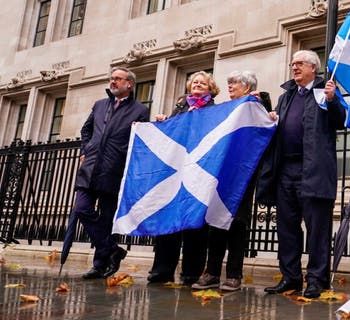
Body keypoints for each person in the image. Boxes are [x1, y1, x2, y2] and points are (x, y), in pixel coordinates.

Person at [257, 50, 346, 298]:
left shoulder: (325, 91)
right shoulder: (286, 97)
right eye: (293, 63)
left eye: (300, 64)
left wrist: (333, 101)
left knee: (317, 229)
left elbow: (341, 121)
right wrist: (271, 116)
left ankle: (317, 280)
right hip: (286, 170)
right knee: (286, 228)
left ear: (313, 68)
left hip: (314, 170)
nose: (294, 67)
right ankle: (290, 277)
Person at [191, 70, 268, 291]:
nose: (230, 86)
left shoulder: (255, 105)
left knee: (237, 224)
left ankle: (234, 275)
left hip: (243, 174)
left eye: (235, 83)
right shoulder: (224, 109)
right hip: (220, 174)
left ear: (247, 87)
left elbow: (266, 120)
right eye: (229, 82)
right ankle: (212, 272)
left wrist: (261, 101)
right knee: (215, 222)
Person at [74, 66, 149, 279]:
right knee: (82, 208)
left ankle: (99, 265)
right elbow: (86, 130)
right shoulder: (99, 105)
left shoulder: (140, 110)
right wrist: (85, 150)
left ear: (129, 84)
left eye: (118, 79)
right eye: (112, 78)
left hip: (114, 170)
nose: (113, 81)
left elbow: (140, 141)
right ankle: (113, 249)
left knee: (107, 219)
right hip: (90, 168)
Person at [147, 71, 220, 285]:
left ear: (210, 88)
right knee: (168, 219)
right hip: (175, 171)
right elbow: (170, 134)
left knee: (194, 223)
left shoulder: (215, 110)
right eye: (194, 82)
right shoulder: (180, 107)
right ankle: (162, 270)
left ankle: (191, 272)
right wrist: (163, 121)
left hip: (198, 172)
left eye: (202, 83)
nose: (197, 85)